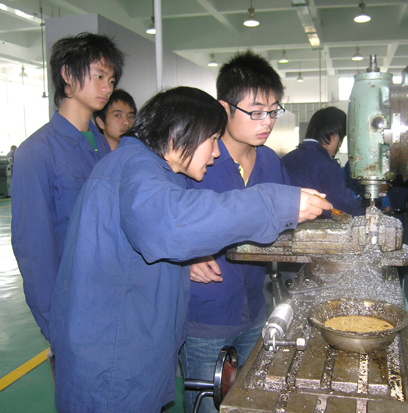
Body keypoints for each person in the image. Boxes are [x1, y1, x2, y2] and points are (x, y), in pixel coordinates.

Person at [48, 86, 331, 413]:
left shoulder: (146, 168)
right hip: (112, 365)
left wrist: (190, 255)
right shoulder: (136, 167)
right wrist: (277, 204)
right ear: (177, 134)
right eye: (212, 139)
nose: (216, 152)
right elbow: (168, 224)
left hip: (125, 352)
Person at [180, 50, 290, 413]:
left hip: (255, 310)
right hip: (206, 316)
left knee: (251, 402)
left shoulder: (270, 162)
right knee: (207, 405)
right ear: (224, 108)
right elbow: (161, 224)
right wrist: (184, 260)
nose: (267, 121)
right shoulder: (196, 161)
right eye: (256, 111)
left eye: (273, 111)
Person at [10, 32, 124, 355]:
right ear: (67, 76)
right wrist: (55, 325)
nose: (107, 87)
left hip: (112, 302)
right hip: (72, 312)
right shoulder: (37, 152)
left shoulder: (102, 145)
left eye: (111, 79)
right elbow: (34, 250)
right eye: (99, 76)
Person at [282, 106, 366, 217]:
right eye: (341, 139)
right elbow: (347, 211)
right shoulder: (327, 166)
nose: (339, 146)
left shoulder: (286, 159)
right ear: (334, 135)